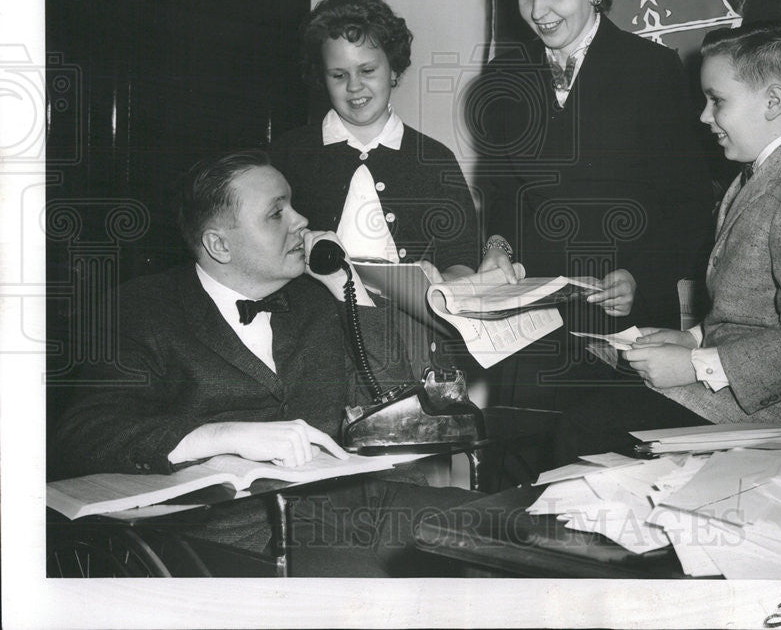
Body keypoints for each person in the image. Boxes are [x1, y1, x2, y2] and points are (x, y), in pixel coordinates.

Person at [51, 150, 474, 576]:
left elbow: (393, 413)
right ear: (219, 245)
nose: (301, 221)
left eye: (292, 204)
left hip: (357, 508)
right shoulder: (142, 309)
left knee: (510, 530)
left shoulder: (316, 298)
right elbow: (82, 435)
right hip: (237, 537)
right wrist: (221, 436)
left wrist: (349, 290)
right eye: (277, 214)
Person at [473, 0, 716, 412]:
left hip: (626, 326)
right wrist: (497, 246)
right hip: (529, 331)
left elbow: (689, 207)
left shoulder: (653, 71)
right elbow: (502, 193)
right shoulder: (503, 77)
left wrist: (640, 277)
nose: (538, 11)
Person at [621, 18, 781, 428]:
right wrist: (692, 339)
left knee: (586, 422)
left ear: (772, 102)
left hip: (773, 407)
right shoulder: (763, 171)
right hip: (733, 388)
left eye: (716, 100)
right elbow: (752, 310)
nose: (704, 116)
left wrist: (695, 365)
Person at [270, 0, 478, 279]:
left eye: (367, 70)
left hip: (405, 318)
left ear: (393, 69)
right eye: (338, 75)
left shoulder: (434, 160)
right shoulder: (289, 154)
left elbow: (462, 258)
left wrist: (441, 284)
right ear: (322, 78)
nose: (354, 86)